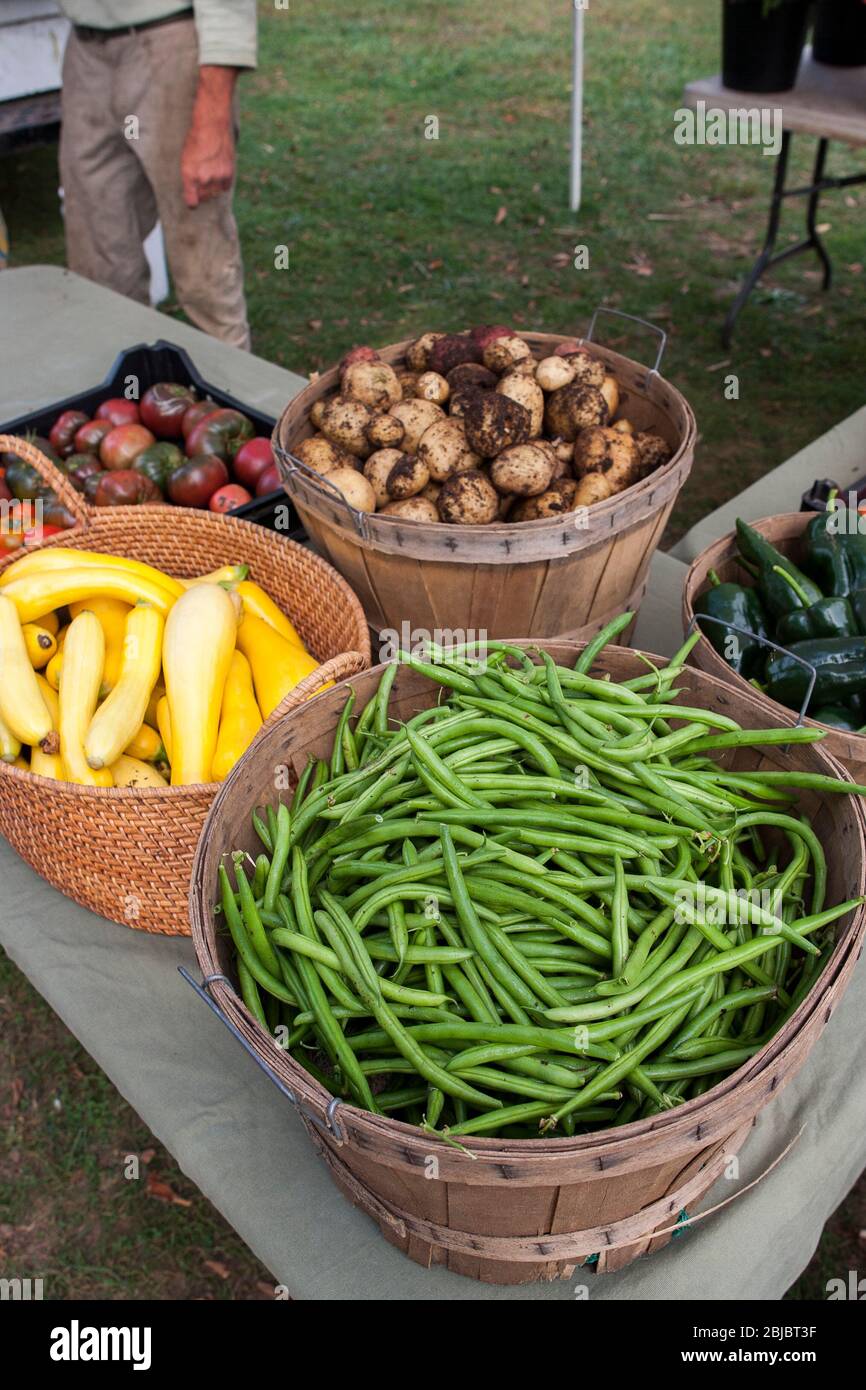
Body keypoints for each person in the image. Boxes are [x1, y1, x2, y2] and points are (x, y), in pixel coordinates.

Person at [56, 2, 257, 349]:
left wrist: (213, 117)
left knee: (203, 265)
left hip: (171, 40)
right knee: (99, 265)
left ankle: (231, 397)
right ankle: (124, 391)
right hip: (84, 48)